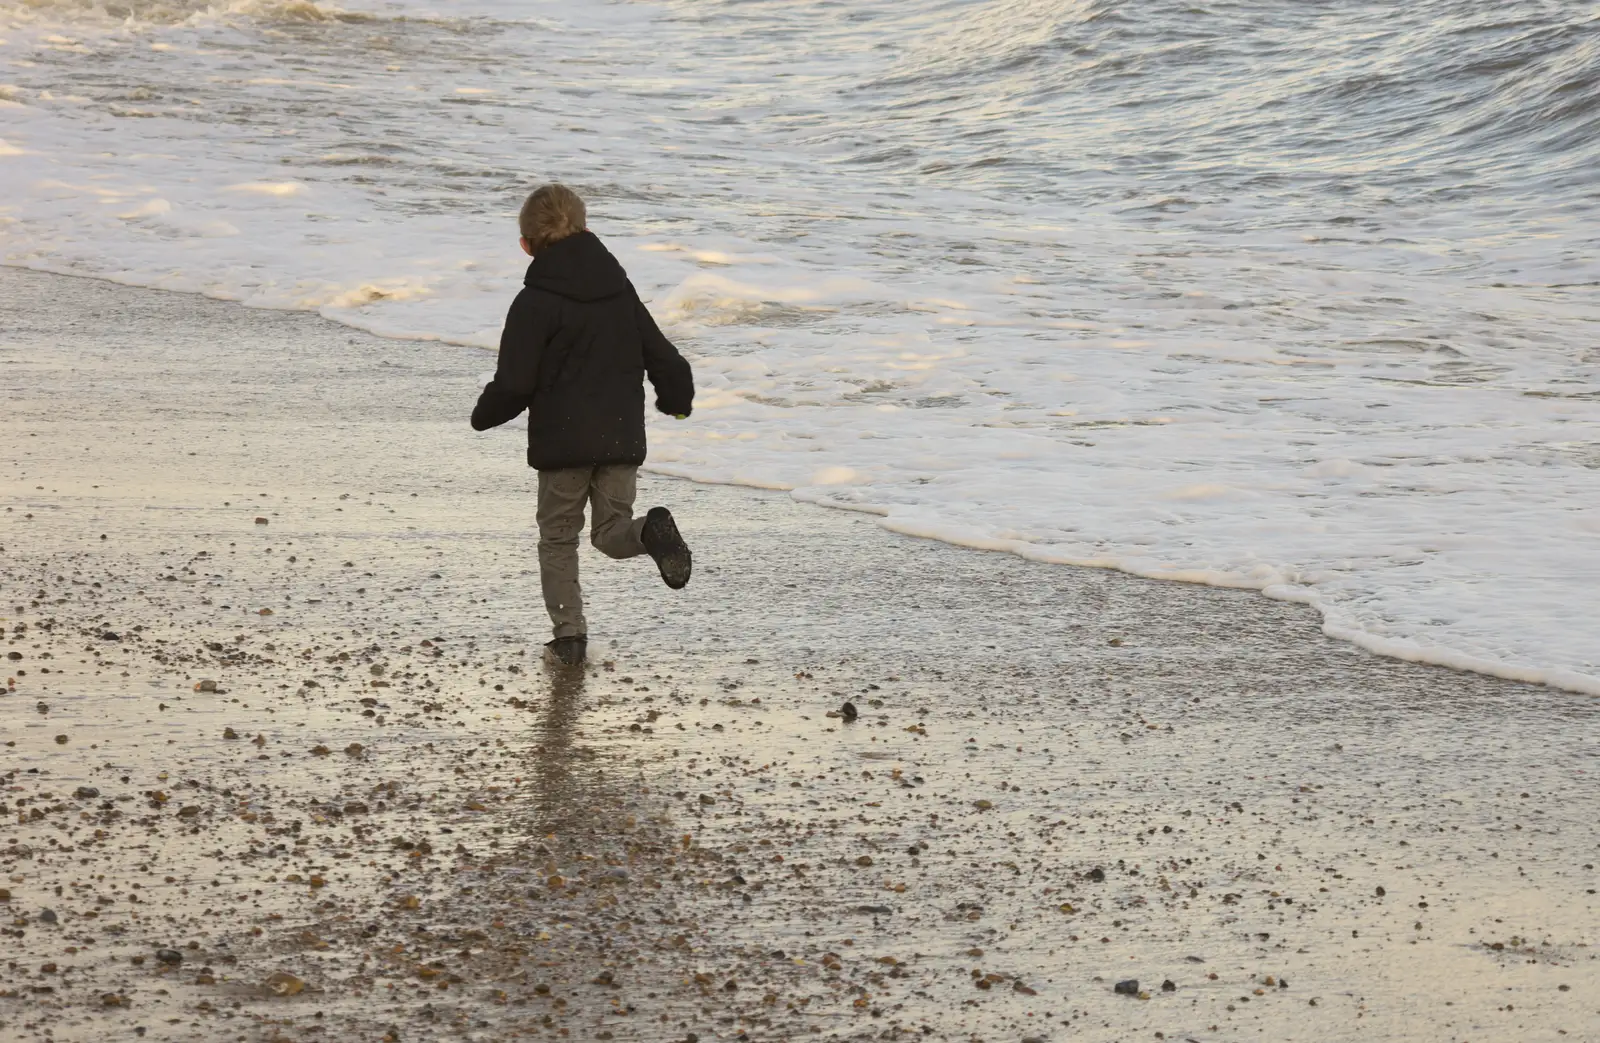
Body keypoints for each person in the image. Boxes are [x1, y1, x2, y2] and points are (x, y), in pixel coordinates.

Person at [472, 184, 694, 666]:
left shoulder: (533, 303)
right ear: (587, 229)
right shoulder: (621, 293)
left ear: (526, 245)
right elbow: (666, 358)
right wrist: (676, 403)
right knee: (611, 532)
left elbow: (514, 382)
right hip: (619, 437)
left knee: (559, 538)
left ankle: (569, 638)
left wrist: (483, 417)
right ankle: (650, 533)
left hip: (563, 444)